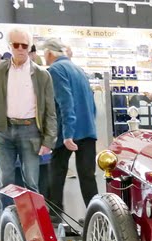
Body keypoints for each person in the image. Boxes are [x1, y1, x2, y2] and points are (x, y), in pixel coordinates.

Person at [0, 27, 57, 241]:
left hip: (30, 131)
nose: (20, 49)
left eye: (24, 45)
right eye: (15, 45)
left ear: (29, 47)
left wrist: (48, 139)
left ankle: (33, 229)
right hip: (4, 131)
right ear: (9, 46)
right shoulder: (0, 71)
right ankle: (8, 230)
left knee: (31, 182)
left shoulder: (42, 75)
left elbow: (50, 110)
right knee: (5, 181)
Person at [42, 38, 98, 223]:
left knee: (56, 171)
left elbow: (65, 102)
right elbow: (91, 102)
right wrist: (90, 124)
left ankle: (54, 213)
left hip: (69, 131)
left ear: (49, 53)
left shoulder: (55, 70)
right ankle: (96, 215)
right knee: (87, 176)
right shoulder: (78, 70)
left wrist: (67, 134)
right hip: (87, 130)